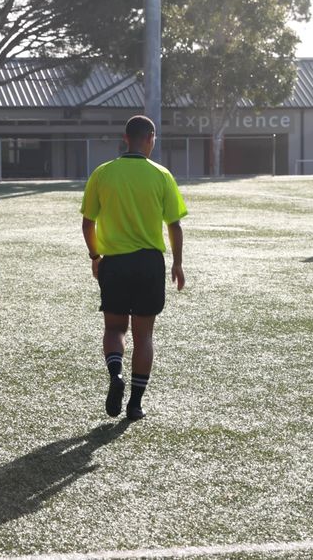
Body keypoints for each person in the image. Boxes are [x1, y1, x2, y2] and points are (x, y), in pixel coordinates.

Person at [80, 115, 188, 421]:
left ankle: (115, 375)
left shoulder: (103, 173)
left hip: (114, 262)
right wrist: (178, 263)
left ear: (125, 138)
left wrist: (94, 256)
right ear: (151, 138)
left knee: (114, 329)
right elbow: (175, 225)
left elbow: (88, 222)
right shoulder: (161, 175)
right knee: (144, 336)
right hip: (149, 263)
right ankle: (135, 404)